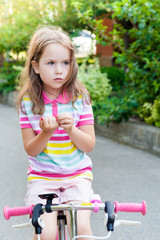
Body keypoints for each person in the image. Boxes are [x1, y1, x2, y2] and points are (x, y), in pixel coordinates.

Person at [17, 25, 95, 240]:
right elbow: (31, 150)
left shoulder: (80, 98)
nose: (59, 70)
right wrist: (45, 133)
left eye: (65, 63)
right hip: (43, 178)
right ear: (36, 66)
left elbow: (88, 145)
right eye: (51, 63)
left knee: (82, 232)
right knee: (46, 233)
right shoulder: (28, 102)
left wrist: (72, 130)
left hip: (77, 176)